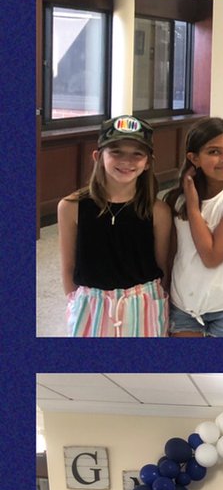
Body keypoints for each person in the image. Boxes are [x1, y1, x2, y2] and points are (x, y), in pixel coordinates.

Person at [58, 115, 170, 336]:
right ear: (98, 156)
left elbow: (163, 266)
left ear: (148, 162)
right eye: (116, 151)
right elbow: (68, 266)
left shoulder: (158, 210)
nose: (126, 161)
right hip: (91, 304)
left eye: (137, 154)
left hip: (144, 303)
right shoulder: (71, 207)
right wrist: (75, 301)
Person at [166, 118, 223, 337]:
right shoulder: (175, 199)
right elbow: (172, 253)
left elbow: (212, 256)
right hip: (184, 304)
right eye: (214, 152)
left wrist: (193, 207)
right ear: (194, 158)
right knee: (185, 371)